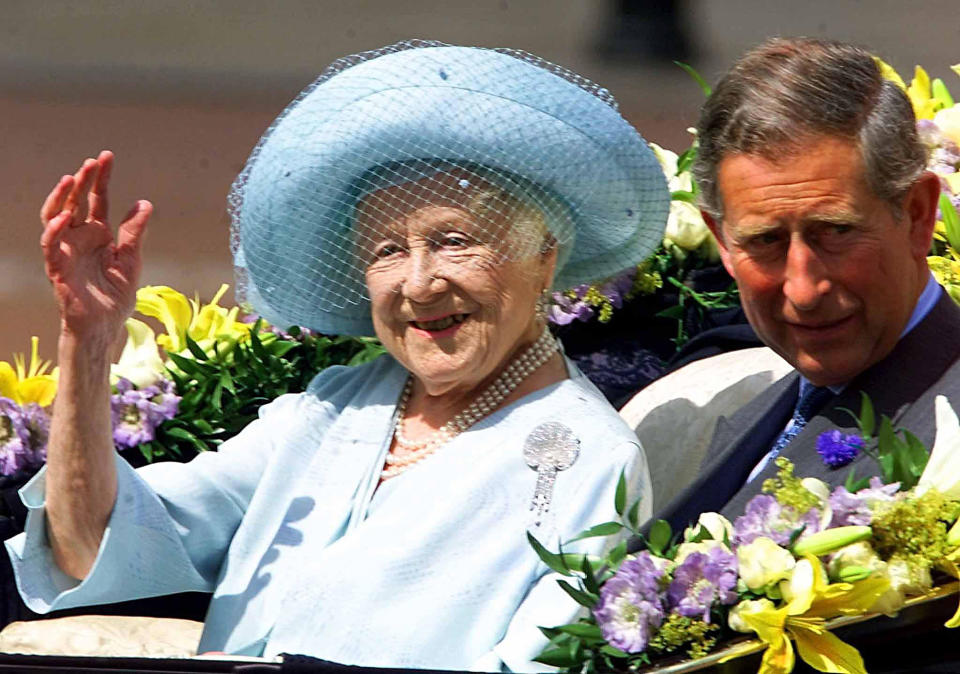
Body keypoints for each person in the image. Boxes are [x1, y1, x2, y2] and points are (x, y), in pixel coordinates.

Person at [5, 42, 670, 670]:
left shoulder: (590, 461)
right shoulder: (329, 410)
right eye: (387, 251)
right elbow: (86, 543)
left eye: (454, 240)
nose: (418, 282)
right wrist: (88, 342)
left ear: (544, 256)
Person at [654, 37, 958, 532]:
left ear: (919, 215)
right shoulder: (757, 416)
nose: (803, 288)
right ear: (722, 244)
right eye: (766, 241)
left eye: (836, 232)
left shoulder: (949, 444)